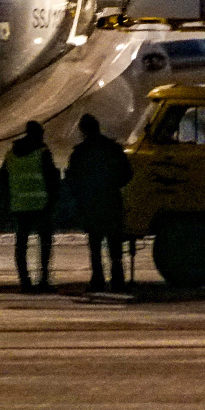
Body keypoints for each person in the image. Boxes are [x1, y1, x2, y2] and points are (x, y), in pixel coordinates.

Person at [66, 114, 134, 292]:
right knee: (114, 245)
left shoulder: (80, 152)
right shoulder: (112, 148)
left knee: (95, 245)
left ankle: (98, 279)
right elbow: (127, 173)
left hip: (91, 202)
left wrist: (81, 194)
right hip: (111, 200)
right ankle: (118, 279)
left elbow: (72, 179)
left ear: (83, 131)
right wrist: (113, 185)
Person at [3, 121, 62, 293]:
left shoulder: (10, 155)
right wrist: (53, 202)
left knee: (21, 246)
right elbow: (53, 180)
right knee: (44, 245)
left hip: (19, 206)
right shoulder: (42, 153)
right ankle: (43, 280)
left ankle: (25, 282)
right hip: (41, 206)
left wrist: (9, 201)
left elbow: (3, 181)